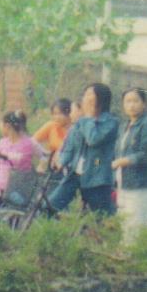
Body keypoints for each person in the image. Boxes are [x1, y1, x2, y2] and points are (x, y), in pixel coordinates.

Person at [48, 83, 117, 217]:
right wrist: (61, 161)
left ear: (100, 98)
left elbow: (93, 139)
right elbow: (70, 146)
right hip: (75, 175)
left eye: (90, 94)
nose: (85, 98)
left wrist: (89, 116)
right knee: (50, 206)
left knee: (100, 219)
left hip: (97, 179)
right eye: (85, 94)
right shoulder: (81, 122)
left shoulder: (110, 122)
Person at [111, 88, 147, 243]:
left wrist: (121, 162)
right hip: (123, 185)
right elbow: (115, 153)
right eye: (128, 101)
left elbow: (146, 154)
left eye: (135, 101)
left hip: (141, 186)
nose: (131, 105)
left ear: (144, 104)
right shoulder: (124, 126)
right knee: (124, 232)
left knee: (135, 234)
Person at [0, 111, 43, 203]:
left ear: (7, 126)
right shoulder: (2, 142)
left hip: (17, 186)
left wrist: (41, 165)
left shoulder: (29, 143)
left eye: (1, 125)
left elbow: (43, 156)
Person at [33, 98, 75, 170]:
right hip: (54, 166)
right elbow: (32, 141)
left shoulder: (76, 129)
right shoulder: (51, 126)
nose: (57, 117)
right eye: (54, 114)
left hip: (71, 165)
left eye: (60, 114)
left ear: (69, 113)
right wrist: (44, 156)